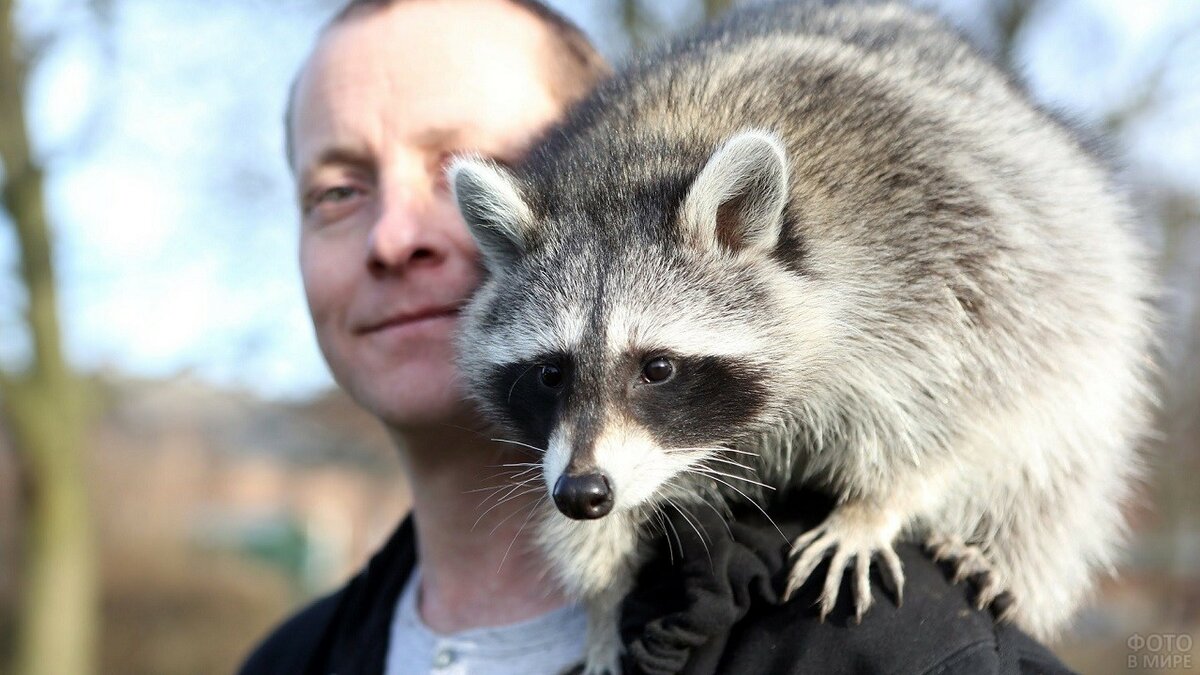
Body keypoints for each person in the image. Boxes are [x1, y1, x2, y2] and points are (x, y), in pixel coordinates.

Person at [240, 1, 1076, 673]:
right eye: (338, 189)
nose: (396, 236)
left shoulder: (875, 642)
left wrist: (883, 502)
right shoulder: (291, 657)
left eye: (464, 161)